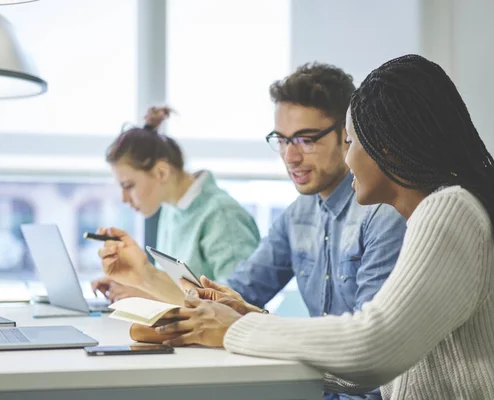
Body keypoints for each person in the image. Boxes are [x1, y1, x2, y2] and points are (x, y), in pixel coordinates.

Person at [151, 54, 494, 399]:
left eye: (352, 142)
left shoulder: (449, 208)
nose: (348, 157)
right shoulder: (450, 209)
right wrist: (251, 321)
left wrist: (238, 329)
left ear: (385, 149)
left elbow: (373, 347)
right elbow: (360, 371)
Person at [101, 64, 408, 400]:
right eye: (282, 140)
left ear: (346, 135)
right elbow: (228, 297)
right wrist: (143, 275)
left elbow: (370, 349)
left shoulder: (382, 215)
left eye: (307, 139)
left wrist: (245, 324)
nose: (291, 156)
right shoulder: (298, 216)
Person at [91, 106, 260, 303]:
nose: (124, 198)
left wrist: (149, 294)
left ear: (161, 172)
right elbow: (171, 282)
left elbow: (241, 303)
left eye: (129, 185)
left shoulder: (223, 214)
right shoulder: (171, 208)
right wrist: (135, 283)